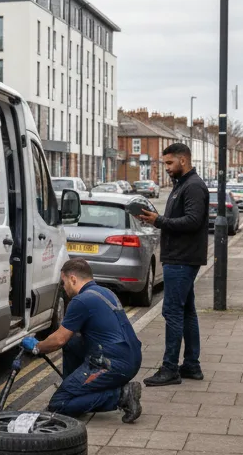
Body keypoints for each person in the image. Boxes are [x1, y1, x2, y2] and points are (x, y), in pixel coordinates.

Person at [21, 258, 142, 422]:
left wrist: (37, 347)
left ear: (73, 279)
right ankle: (75, 389)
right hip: (132, 357)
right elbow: (70, 339)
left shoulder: (80, 301)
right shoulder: (106, 292)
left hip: (111, 364)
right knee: (73, 342)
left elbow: (59, 339)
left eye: (63, 283)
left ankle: (121, 395)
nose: (63, 288)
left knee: (59, 404)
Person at [136, 142, 208, 386]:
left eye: (169, 163)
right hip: (179, 257)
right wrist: (155, 220)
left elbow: (192, 221)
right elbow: (181, 220)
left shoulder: (193, 186)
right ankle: (191, 365)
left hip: (181, 259)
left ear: (183, 161)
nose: (166, 168)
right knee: (186, 311)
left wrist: (159, 220)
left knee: (172, 311)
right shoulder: (183, 185)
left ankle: (170, 369)